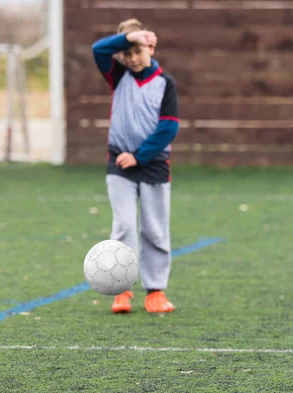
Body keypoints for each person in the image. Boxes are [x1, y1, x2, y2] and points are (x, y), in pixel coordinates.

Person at [91, 19, 180, 314]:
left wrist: (139, 156)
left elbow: (167, 128)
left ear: (151, 47)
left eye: (137, 51)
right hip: (119, 165)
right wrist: (130, 37)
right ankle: (122, 290)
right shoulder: (118, 76)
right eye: (126, 53)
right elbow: (97, 49)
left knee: (155, 230)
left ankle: (155, 291)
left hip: (152, 165)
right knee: (124, 227)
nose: (131, 58)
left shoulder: (165, 83)